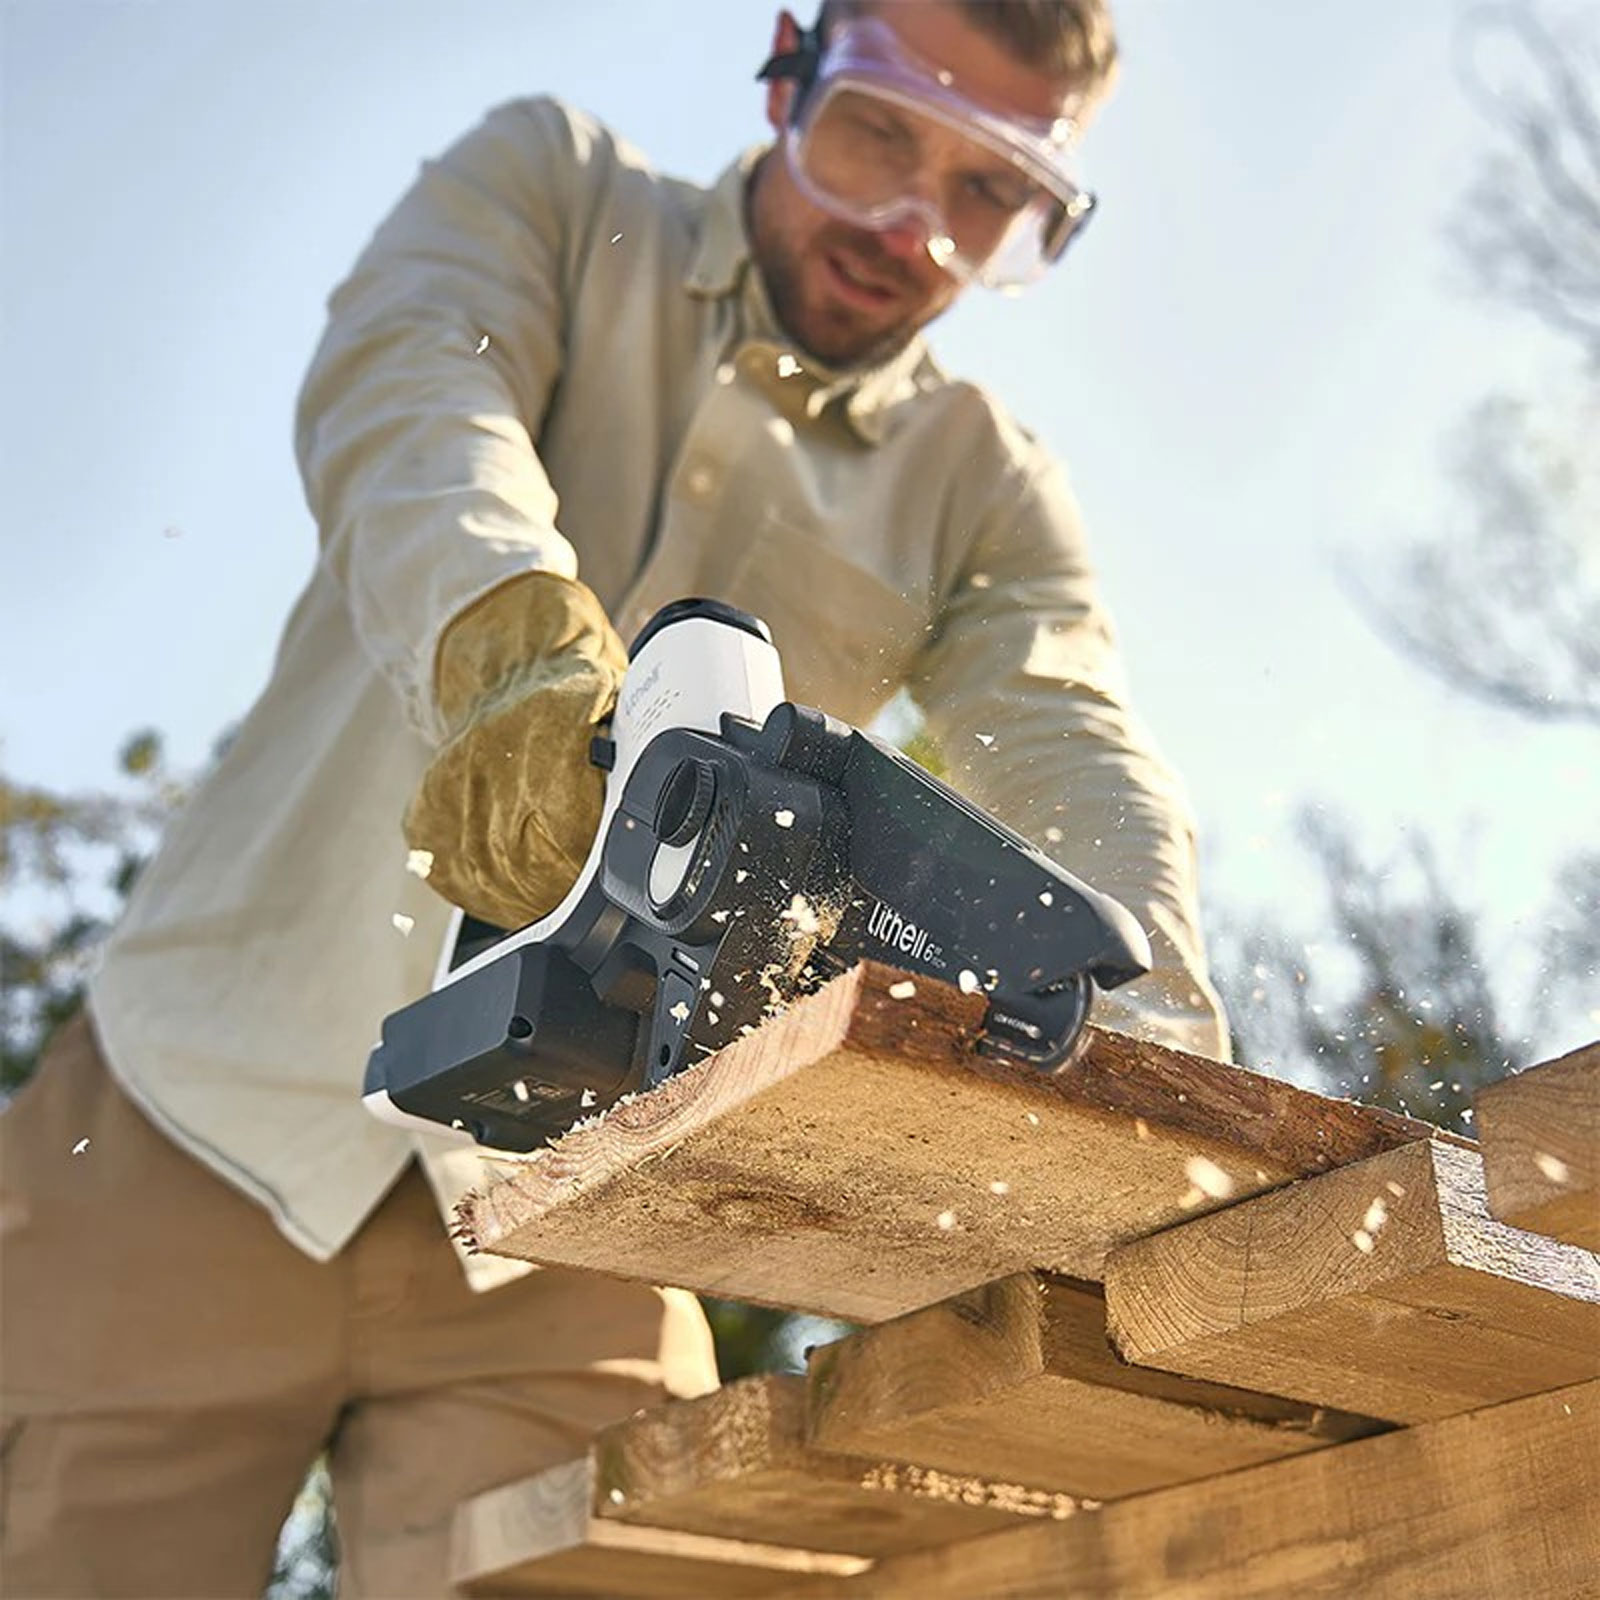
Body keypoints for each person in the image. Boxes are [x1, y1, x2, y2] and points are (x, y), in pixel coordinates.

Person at [0, 2, 1230, 1594]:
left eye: (987, 192)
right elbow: (411, 381)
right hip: (190, 1117)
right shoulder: (555, 187)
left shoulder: (983, 483)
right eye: (875, 135)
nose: (912, 229)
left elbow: (1074, 744)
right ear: (791, 72)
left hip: (587, 1198)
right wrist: (502, 645)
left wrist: (1156, 1061)